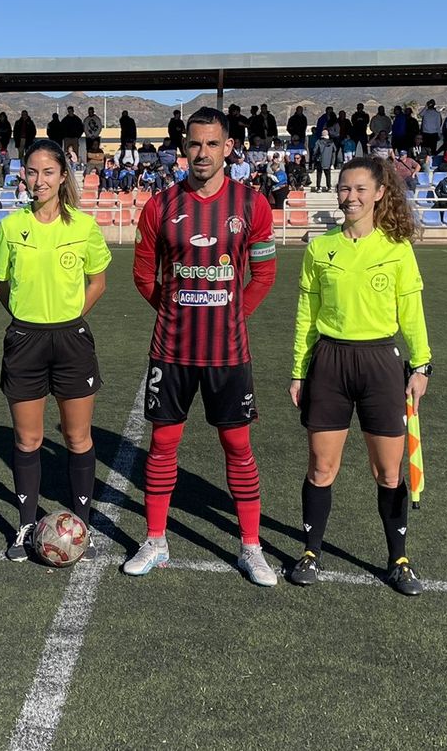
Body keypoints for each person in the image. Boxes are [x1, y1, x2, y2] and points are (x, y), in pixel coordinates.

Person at [123, 107, 280, 587]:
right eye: (195, 144)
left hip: (227, 352)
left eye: (213, 143)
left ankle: (250, 547)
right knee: (162, 444)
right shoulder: (160, 205)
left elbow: (264, 275)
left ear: (228, 147)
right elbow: (143, 275)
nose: (203, 152)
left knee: (238, 445)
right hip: (171, 350)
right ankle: (155, 540)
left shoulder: (252, 204)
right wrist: (176, 312)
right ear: (183, 148)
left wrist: (230, 315)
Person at [287, 155, 431, 594]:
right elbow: (306, 315)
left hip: (380, 364)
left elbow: (411, 311)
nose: (350, 197)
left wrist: (421, 364)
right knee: (321, 467)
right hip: (329, 363)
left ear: (379, 193)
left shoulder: (397, 248)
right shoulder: (320, 248)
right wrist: (299, 371)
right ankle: (311, 552)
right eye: (344, 188)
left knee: (388, 471)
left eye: (360, 189)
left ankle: (398, 559)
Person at [0, 139, 112, 560]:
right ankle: (26, 526)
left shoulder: (84, 227)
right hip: (24, 340)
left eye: (47, 172)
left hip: (71, 340)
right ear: (23, 175)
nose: (38, 180)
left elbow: (98, 282)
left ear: (62, 176)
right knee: (28, 440)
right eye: (31, 171)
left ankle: (82, 527)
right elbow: (0, 284)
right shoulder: (11, 227)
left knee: (77, 437)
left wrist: (69, 317)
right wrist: (26, 318)